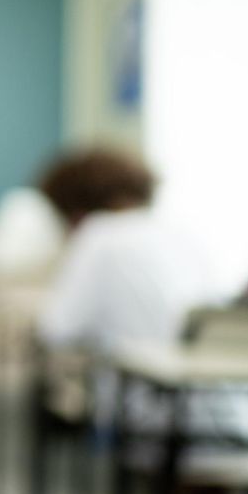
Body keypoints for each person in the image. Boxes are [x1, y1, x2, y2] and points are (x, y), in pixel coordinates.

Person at [36, 148, 216, 351]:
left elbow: (56, 330)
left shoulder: (100, 234)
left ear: (74, 211)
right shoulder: (180, 234)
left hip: (142, 379)